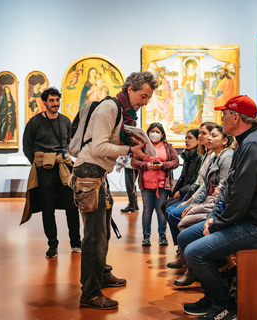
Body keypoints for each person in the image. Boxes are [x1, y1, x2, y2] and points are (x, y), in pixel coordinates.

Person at [178, 95, 257, 320]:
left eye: (224, 114)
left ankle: (224, 306)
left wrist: (217, 223)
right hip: (242, 220)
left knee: (195, 252)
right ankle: (215, 293)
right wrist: (214, 217)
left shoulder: (254, 145)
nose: (221, 118)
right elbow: (226, 188)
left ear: (236, 117)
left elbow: (242, 195)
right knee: (186, 237)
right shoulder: (245, 142)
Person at [72, 71, 157, 310]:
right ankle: (89, 293)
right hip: (89, 173)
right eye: (143, 96)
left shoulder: (120, 110)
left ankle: (101, 274)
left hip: (98, 174)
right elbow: (99, 146)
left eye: (148, 98)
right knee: (94, 237)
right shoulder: (110, 108)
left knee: (103, 233)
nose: (145, 102)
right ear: (130, 89)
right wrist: (130, 151)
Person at [170, 125, 234, 287]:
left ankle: (198, 266)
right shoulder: (213, 156)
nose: (209, 138)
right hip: (208, 201)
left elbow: (223, 188)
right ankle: (193, 262)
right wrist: (194, 203)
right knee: (182, 215)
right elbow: (205, 185)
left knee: (184, 223)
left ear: (225, 141)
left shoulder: (227, 157)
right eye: (209, 135)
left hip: (216, 204)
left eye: (214, 135)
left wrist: (201, 206)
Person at [21, 87, 81, 258]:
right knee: (48, 209)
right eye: (52, 100)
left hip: (63, 167)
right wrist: (38, 163)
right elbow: (27, 146)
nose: (56, 103)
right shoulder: (34, 122)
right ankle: (52, 245)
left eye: (57, 100)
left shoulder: (65, 121)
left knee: (72, 206)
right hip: (44, 170)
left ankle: (76, 242)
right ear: (44, 102)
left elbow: (70, 143)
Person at [163, 122, 216, 258]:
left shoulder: (217, 156)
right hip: (199, 195)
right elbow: (198, 181)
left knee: (174, 213)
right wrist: (188, 198)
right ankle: (182, 249)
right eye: (199, 133)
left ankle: (187, 249)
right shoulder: (205, 155)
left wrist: (189, 200)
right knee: (168, 208)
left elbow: (205, 185)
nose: (201, 136)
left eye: (204, 133)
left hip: (208, 200)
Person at [131, 122, 179, 246]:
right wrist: (146, 165)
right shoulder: (142, 146)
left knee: (161, 211)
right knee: (147, 210)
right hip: (146, 185)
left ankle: (162, 235)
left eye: (158, 132)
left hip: (163, 186)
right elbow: (134, 162)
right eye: (152, 131)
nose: (155, 134)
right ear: (147, 134)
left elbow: (176, 162)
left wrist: (163, 165)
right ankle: (146, 235)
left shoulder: (168, 147)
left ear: (162, 134)